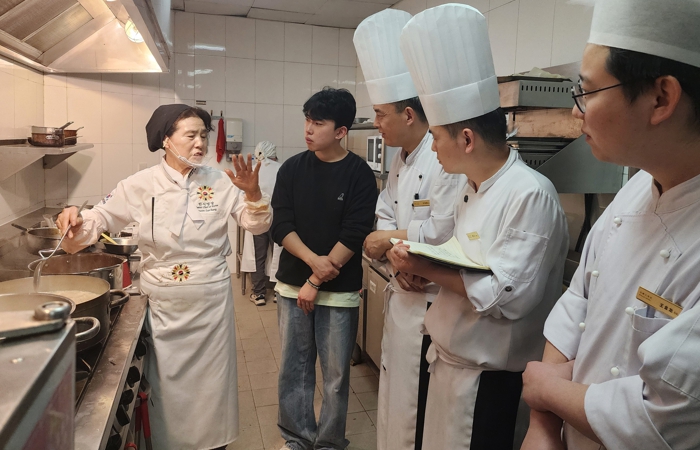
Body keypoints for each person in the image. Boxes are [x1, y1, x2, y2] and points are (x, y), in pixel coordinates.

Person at [387, 5, 569, 449]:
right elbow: (462, 259)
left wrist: (424, 267)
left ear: (466, 139)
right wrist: (421, 265)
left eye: (436, 137)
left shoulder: (529, 193)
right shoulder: (472, 186)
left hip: (488, 381)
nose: (433, 147)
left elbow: (507, 295)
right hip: (450, 364)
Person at [520, 1, 700, 449]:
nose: (576, 111)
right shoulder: (636, 188)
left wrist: (545, 392)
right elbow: (579, 300)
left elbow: (661, 415)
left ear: (661, 98)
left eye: (587, 91)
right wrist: (544, 424)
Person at [56, 104, 272, 450]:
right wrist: (74, 220)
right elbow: (99, 219)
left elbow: (257, 224)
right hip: (163, 307)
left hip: (211, 307)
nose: (200, 143)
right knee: (168, 394)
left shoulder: (221, 180)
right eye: (191, 135)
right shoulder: (140, 184)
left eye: (203, 135)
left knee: (212, 390)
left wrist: (253, 194)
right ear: (166, 141)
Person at [353, 9, 466, 450]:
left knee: (415, 411)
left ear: (407, 114)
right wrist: (392, 244)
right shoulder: (401, 159)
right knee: (395, 400)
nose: (376, 124)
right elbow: (386, 211)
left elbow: (445, 230)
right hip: (402, 293)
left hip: (428, 302)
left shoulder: (444, 159)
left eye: (380, 115)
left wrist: (393, 241)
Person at [270, 87, 377, 450]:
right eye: (307, 120)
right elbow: (281, 225)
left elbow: (355, 231)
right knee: (294, 369)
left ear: (341, 131)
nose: (308, 129)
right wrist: (313, 263)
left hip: (339, 291)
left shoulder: (359, 174)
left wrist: (317, 278)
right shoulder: (292, 168)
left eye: (318, 123)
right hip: (292, 287)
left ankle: (329, 443)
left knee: (335, 375)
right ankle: (297, 438)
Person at [242, 140, 282, 306]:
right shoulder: (282, 168)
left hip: (258, 219)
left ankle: (258, 293)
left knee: (258, 256)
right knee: (279, 254)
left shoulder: (252, 170)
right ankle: (278, 292)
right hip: (278, 220)